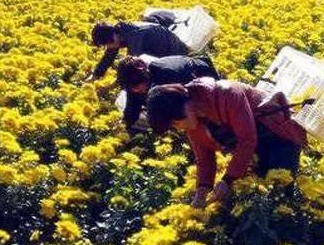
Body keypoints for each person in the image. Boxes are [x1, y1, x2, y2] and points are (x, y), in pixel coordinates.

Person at [145, 77, 308, 208]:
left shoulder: (227, 94)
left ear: (185, 106)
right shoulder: (193, 123)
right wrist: (201, 191)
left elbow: (247, 140)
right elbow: (204, 159)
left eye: (175, 122)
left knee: (280, 196)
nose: (178, 128)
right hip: (255, 151)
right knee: (259, 198)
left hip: (279, 137)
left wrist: (227, 180)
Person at [116, 54, 220, 134]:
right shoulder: (133, 81)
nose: (137, 91)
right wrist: (125, 126)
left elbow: (186, 105)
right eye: (133, 89)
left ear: (144, 77)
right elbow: (132, 107)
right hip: (179, 82)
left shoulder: (167, 74)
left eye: (138, 88)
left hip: (198, 75)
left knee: (206, 120)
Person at [87, 21, 189, 81]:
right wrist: (95, 75)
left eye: (107, 44)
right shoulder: (119, 31)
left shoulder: (136, 38)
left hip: (176, 54)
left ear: (112, 36)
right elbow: (109, 55)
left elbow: (134, 68)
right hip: (160, 49)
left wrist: (111, 86)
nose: (107, 47)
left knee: (143, 78)